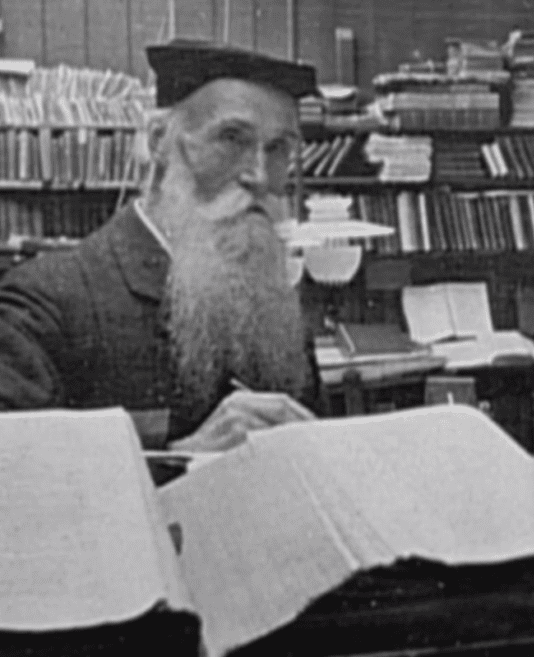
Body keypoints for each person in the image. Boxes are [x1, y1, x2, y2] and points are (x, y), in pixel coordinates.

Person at [0, 40, 320, 450]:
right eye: (231, 138)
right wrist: (180, 459)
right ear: (157, 141)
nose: (259, 175)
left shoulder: (274, 304)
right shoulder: (45, 305)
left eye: (278, 148)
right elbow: (18, 477)